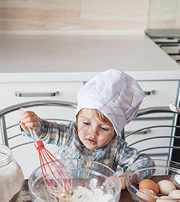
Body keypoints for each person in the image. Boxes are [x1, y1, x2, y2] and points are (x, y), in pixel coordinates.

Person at [20, 69, 154, 189]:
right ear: (77, 120)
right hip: (62, 191)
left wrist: (125, 178)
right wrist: (33, 124)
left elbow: (146, 164)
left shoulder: (116, 148)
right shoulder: (69, 134)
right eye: (86, 123)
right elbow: (44, 130)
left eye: (103, 128)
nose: (92, 133)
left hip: (96, 198)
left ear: (115, 132)